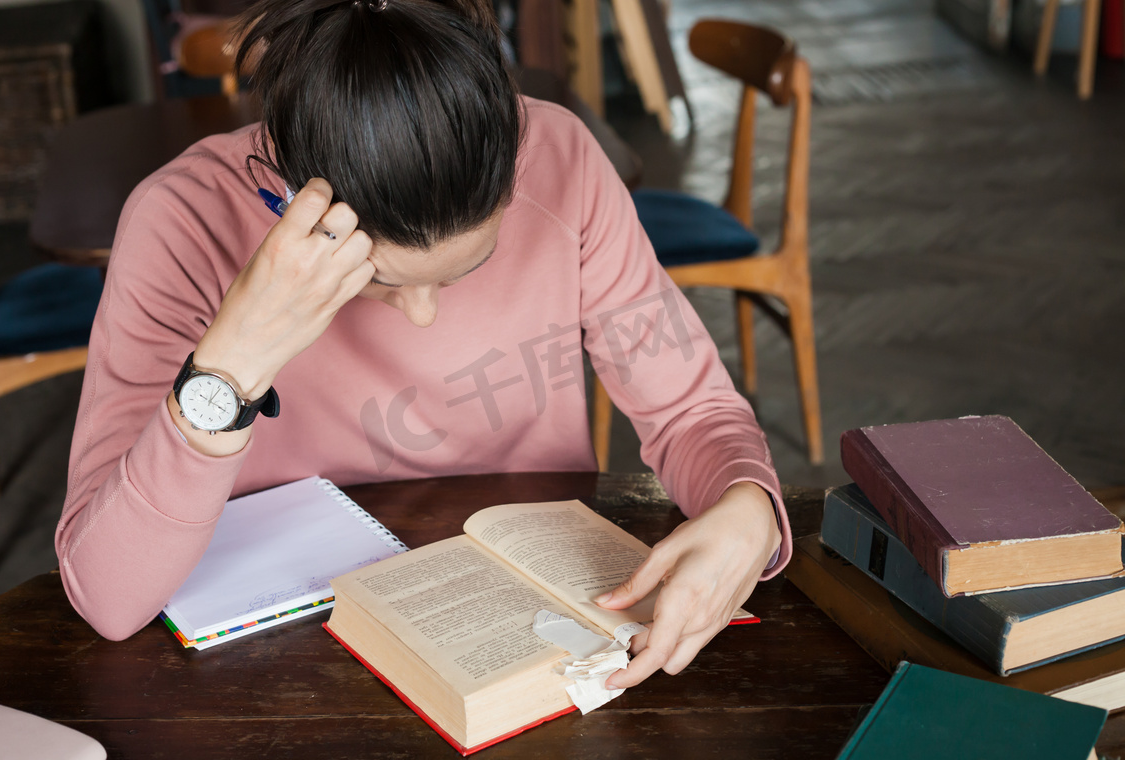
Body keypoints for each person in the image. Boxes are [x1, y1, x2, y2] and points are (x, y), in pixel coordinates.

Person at [55, 0, 791, 691]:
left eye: (468, 267)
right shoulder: (180, 221)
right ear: (286, 199)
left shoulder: (562, 157)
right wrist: (232, 362)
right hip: (283, 667)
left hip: (527, 628)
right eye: (374, 280)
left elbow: (691, 411)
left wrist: (746, 503)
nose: (422, 316)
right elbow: (109, 600)